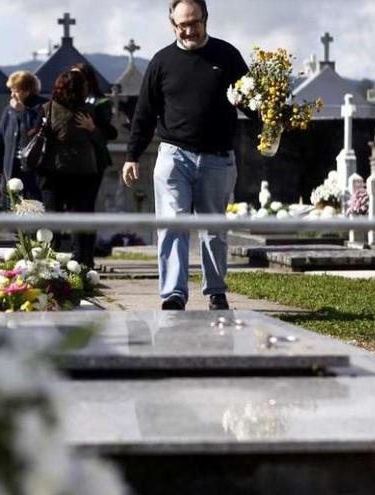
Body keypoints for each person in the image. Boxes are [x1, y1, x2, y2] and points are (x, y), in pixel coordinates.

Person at [122, 0, 251, 311]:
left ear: (206, 19)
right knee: (171, 225)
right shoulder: (162, 61)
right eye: (183, 25)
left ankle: (216, 292)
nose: (189, 30)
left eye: (195, 22)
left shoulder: (227, 55)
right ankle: (173, 295)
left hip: (217, 158)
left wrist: (271, 125)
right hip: (174, 155)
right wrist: (132, 155)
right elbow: (144, 112)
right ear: (172, 25)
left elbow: (252, 99)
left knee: (214, 229)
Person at [38, 69, 99, 265]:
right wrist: (92, 130)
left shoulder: (47, 109)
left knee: (52, 221)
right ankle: (82, 264)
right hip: (81, 173)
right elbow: (101, 141)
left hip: (53, 172)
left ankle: (49, 264)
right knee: (80, 222)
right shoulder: (87, 112)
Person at [71, 63, 118, 268]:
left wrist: (92, 128)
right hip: (73, 163)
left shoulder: (101, 102)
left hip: (95, 162)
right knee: (75, 210)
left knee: (86, 208)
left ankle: (87, 256)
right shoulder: (70, 102)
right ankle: (76, 254)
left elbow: (109, 134)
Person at [0, 71, 45, 200]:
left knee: (32, 205)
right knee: (11, 204)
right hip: (11, 166)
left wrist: (22, 111)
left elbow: (34, 131)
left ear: (26, 91)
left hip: (33, 169)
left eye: (15, 91)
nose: (12, 95)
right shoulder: (9, 110)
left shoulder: (42, 107)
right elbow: (0, 138)